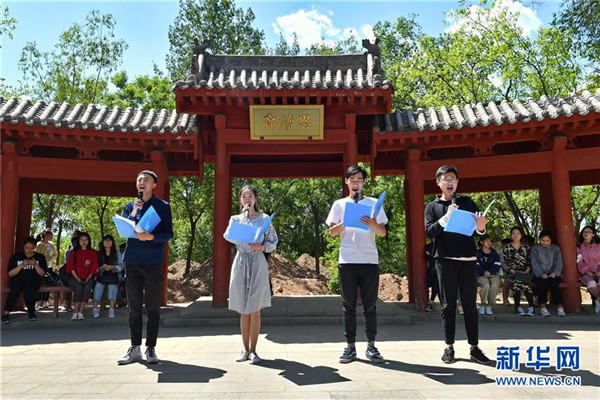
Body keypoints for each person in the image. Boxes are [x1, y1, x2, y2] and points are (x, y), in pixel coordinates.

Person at [425, 165, 491, 365]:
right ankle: (449, 347)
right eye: (445, 179)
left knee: (470, 305)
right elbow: (429, 232)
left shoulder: (468, 203)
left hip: (468, 260)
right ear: (438, 183)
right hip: (445, 261)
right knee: (448, 305)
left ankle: (474, 347)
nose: (450, 182)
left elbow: (476, 231)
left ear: (457, 182)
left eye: (453, 178)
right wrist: (445, 218)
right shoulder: (432, 207)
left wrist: (481, 228)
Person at [326, 165, 388, 363]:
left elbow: (383, 233)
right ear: (346, 182)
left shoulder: (373, 203)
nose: (355, 183)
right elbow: (331, 233)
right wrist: (345, 222)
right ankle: (350, 347)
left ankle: (371, 346)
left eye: (359, 180)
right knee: (349, 306)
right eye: (352, 180)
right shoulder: (339, 204)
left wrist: (374, 225)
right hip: (347, 261)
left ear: (363, 182)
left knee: (370, 306)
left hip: (369, 260)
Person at [118, 170, 173, 365]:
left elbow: (168, 233)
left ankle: (151, 348)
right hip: (131, 260)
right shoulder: (129, 206)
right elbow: (125, 229)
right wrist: (133, 212)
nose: (142, 182)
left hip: (152, 261)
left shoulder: (163, 206)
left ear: (154, 185)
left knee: (152, 307)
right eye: (139, 179)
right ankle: (135, 348)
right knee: (133, 307)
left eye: (146, 180)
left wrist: (152, 237)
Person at [223, 185, 278, 364]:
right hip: (240, 261)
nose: (247, 199)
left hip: (258, 260)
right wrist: (243, 223)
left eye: (251, 196)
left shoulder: (264, 220)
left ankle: (254, 350)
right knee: (243, 309)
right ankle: (244, 349)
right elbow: (228, 236)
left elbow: (273, 241)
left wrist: (262, 247)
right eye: (244, 196)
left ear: (256, 199)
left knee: (255, 309)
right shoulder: (235, 219)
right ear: (240, 200)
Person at [1, 237, 47, 323]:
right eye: (27, 248)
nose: (29, 250)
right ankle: (6, 313)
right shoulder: (17, 256)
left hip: (33, 281)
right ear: (23, 247)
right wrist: (22, 265)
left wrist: (35, 265)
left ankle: (31, 312)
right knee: (14, 291)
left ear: (35, 247)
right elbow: (10, 274)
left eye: (32, 248)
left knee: (29, 292)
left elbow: (42, 273)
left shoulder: (40, 257)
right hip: (18, 280)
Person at [531, 231, 565, 317]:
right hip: (539, 274)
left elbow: (559, 262)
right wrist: (541, 273)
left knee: (554, 284)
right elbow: (534, 263)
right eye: (543, 240)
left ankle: (560, 307)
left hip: (553, 273)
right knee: (543, 283)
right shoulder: (535, 248)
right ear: (539, 240)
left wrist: (555, 273)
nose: (545, 243)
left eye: (547, 241)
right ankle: (542, 307)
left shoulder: (556, 248)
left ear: (550, 240)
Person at [66, 232, 98, 320]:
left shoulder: (93, 253)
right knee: (78, 288)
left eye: (86, 240)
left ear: (89, 241)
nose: (84, 242)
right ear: (78, 241)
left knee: (87, 289)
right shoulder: (74, 252)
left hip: (89, 277)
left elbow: (94, 267)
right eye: (82, 240)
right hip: (74, 277)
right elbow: (70, 267)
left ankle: (80, 312)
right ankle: (75, 312)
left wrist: (88, 278)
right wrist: (77, 278)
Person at [502, 227, 534, 316]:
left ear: (521, 235)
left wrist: (527, 269)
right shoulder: (507, 248)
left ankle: (526, 307)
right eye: (513, 233)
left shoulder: (526, 247)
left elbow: (529, 260)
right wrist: (513, 271)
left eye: (518, 233)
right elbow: (505, 262)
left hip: (524, 273)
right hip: (512, 273)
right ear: (510, 235)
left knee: (524, 284)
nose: (515, 235)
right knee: (518, 283)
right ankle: (521, 307)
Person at [92, 235, 123, 319]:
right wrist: (102, 267)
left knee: (112, 286)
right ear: (103, 242)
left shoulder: (117, 253)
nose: (107, 242)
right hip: (102, 276)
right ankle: (95, 309)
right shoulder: (99, 253)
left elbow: (121, 266)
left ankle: (111, 309)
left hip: (113, 275)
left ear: (113, 242)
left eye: (109, 240)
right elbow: (95, 267)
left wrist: (112, 267)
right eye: (105, 240)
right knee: (98, 286)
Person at [576, 226, 600, 315]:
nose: (586, 233)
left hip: (598, 271)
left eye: (589, 232)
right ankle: (598, 300)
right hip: (585, 272)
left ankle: (598, 301)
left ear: (593, 234)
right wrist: (587, 272)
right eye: (584, 232)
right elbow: (579, 261)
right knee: (592, 284)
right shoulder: (578, 246)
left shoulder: (599, 246)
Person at [476, 234, 501, 315]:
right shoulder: (478, 253)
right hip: (481, 275)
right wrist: (485, 273)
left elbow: (497, 264)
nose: (489, 243)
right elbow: (476, 265)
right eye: (486, 241)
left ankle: (489, 306)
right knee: (486, 285)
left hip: (493, 275)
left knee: (494, 285)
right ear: (481, 242)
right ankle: (483, 305)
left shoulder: (494, 252)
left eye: (490, 241)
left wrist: (490, 273)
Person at [35, 228, 58, 309]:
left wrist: (51, 259)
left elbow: (55, 253)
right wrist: (46, 259)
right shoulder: (39, 244)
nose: (49, 236)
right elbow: (37, 255)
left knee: (49, 283)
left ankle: (46, 301)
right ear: (44, 235)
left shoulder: (51, 244)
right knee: (40, 283)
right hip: (41, 266)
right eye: (47, 234)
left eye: (50, 235)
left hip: (50, 266)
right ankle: (37, 301)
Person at [61, 230, 82, 311]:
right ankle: (66, 303)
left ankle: (78, 303)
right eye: (73, 236)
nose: (74, 238)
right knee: (66, 280)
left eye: (76, 236)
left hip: (81, 272)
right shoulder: (69, 247)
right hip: (71, 271)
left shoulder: (84, 248)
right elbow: (67, 261)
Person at [498, 238, 512, 306]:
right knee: (505, 281)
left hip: (512, 273)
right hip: (501, 272)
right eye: (504, 245)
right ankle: (505, 299)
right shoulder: (499, 253)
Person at [425, 242, 439, 312]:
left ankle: (431, 302)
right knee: (435, 284)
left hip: (443, 268)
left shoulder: (443, 245)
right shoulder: (428, 246)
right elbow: (426, 257)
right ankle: (431, 301)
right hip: (433, 269)